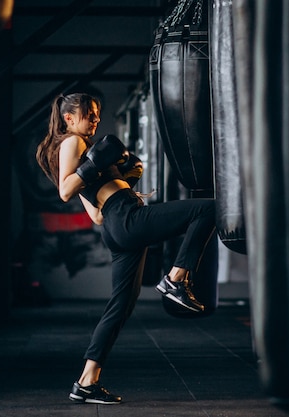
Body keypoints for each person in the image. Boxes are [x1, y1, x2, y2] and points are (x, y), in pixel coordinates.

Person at [35, 92, 216, 404]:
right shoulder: (72, 142)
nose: (95, 120)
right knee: (208, 209)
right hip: (127, 218)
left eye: (96, 114)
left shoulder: (85, 152)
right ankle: (175, 279)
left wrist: (125, 179)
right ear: (68, 118)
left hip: (117, 226)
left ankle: (86, 382)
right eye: (89, 114)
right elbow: (66, 190)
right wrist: (103, 173)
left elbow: (94, 215)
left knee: (120, 307)